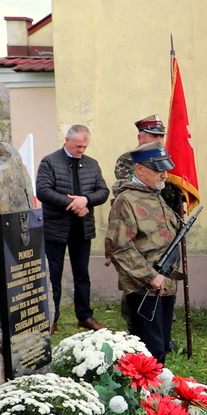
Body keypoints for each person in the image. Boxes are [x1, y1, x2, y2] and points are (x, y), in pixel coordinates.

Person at [105, 146, 183, 362]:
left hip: (164, 284)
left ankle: (159, 392)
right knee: (150, 351)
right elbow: (120, 246)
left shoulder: (155, 195)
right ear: (139, 169)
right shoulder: (127, 200)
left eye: (165, 169)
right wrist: (150, 276)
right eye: (158, 170)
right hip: (144, 287)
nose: (164, 175)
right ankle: (146, 393)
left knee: (162, 346)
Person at [36, 124, 109, 332]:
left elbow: (103, 191)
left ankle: (85, 316)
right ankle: (52, 318)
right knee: (53, 275)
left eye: (85, 147)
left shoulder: (92, 165)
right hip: (55, 228)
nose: (81, 150)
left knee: (82, 274)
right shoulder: (50, 162)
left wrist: (85, 200)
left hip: (82, 229)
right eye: (78, 146)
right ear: (66, 140)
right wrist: (74, 205)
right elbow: (43, 190)